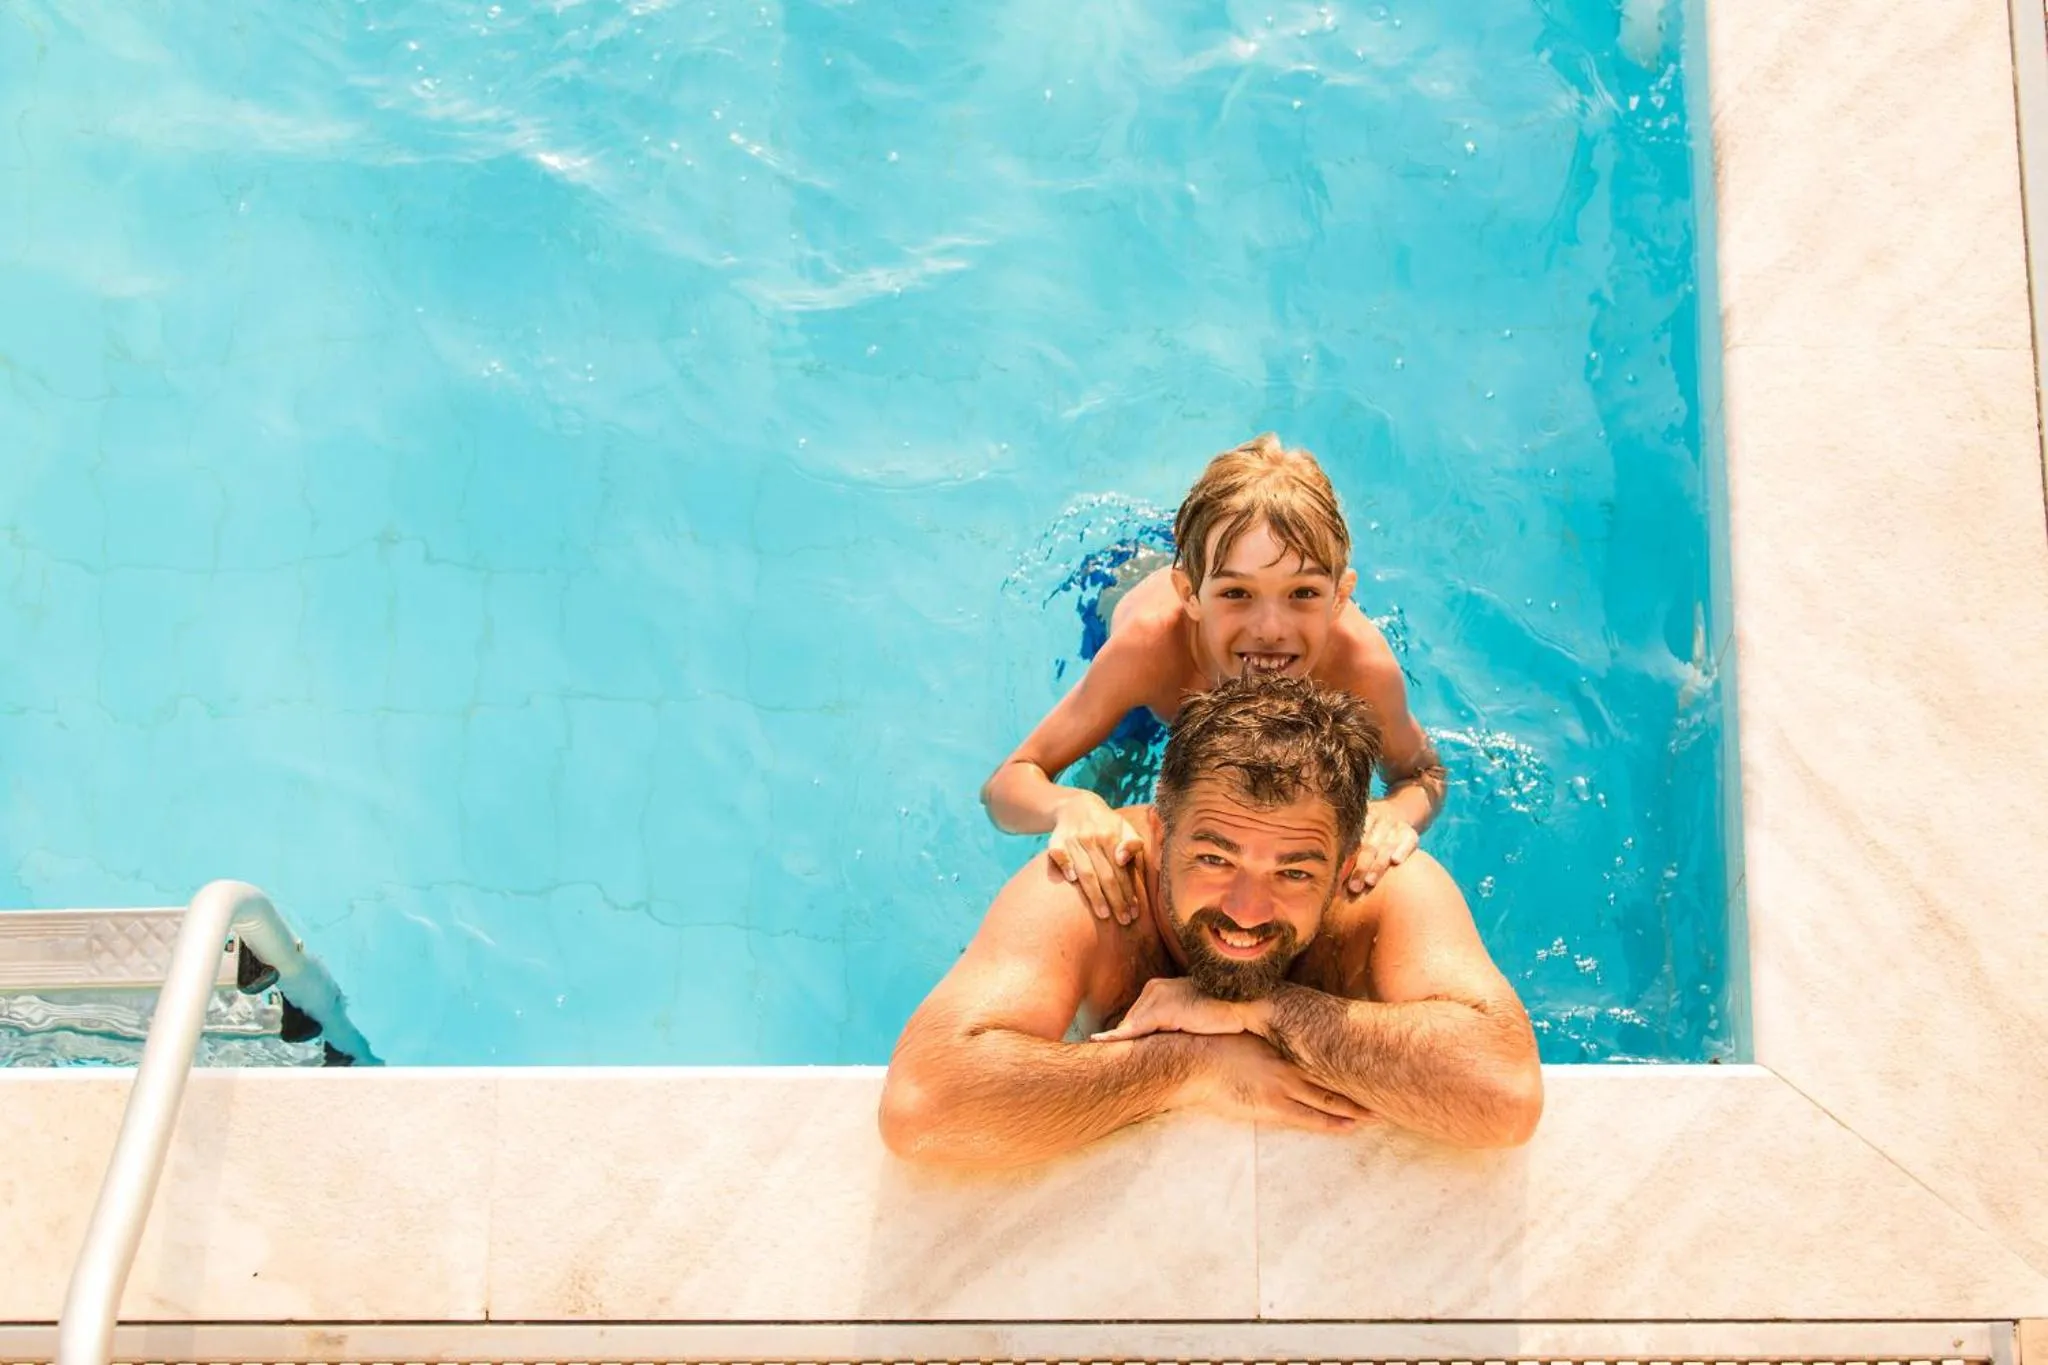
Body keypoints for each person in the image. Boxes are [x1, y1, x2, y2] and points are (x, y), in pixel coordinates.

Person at [884, 674, 1540, 1170]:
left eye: (1293, 871)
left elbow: (1505, 1094)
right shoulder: (1097, 887)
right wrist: (1188, 1064)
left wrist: (1268, 1010)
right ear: (1159, 834)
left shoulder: (1384, 886)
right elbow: (922, 1104)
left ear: (1344, 866)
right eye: (1214, 857)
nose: (1246, 910)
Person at [982, 433, 1448, 927]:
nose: (1271, 630)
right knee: (1113, 789)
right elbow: (1008, 783)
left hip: (1208, 558)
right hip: (1125, 585)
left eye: (1304, 592)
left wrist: (1396, 813)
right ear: (1189, 595)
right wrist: (1068, 807)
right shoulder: (1149, 652)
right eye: (1237, 594)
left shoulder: (1358, 666)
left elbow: (1424, 775)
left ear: (1340, 597)